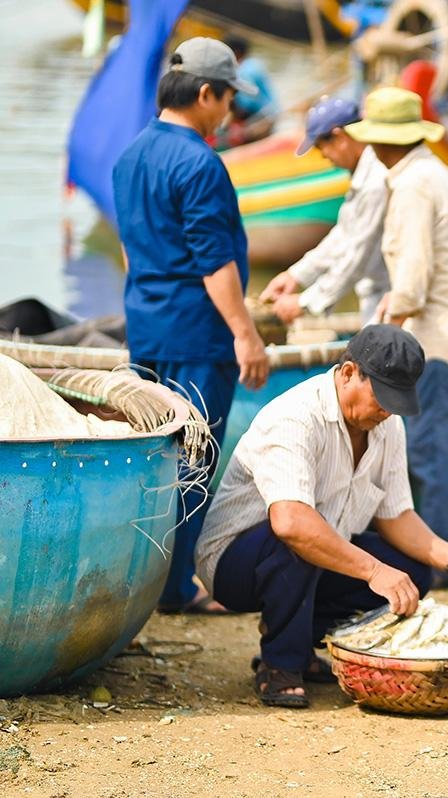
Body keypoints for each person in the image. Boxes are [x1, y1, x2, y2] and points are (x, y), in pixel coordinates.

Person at [194, 325, 448, 708]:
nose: (386, 411)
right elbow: (289, 521)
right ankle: (280, 664)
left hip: (314, 554)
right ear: (349, 372)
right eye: (381, 397)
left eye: (396, 402)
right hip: (234, 562)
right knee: (297, 540)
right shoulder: (295, 417)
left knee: (413, 573)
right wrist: (373, 571)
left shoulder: (387, 425)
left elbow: (396, 515)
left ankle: (304, 641)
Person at [112, 36, 268, 614]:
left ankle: (142, 582)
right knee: (194, 461)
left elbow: (129, 250)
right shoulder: (200, 162)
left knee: (153, 456)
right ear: (206, 93)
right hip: (197, 334)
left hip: (146, 327)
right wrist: (245, 333)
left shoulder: (130, 156)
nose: (228, 110)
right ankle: (176, 590)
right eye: (227, 98)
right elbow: (214, 261)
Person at [345, 87, 448, 562]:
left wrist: (381, 343)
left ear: (380, 143)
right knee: (444, 454)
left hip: (438, 339)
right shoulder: (433, 173)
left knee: (432, 458)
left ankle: (445, 563)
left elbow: (411, 277)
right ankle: (445, 555)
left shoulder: (412, 186)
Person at [259, 97, 390, 325]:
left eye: (321, 147)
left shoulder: (375, 181)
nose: (324, 156)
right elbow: (343, 235)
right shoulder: (363, 175)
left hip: (390, 298)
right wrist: (295, 275)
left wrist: (305, 302)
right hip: (377, 299)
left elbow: (356, 256)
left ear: (339, 137)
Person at [217, 35, 279, 148]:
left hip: (261, 118)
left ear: (234, 53)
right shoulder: (255, 63)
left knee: (224, 139)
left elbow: (247, 104)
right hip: (271, 113)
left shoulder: (244, 70)